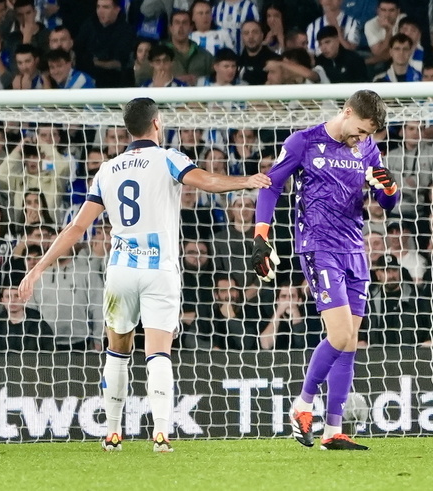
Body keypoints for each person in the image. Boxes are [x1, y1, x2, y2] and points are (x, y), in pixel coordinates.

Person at [18, 97, 271, 452]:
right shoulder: (168, 157)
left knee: (117, 352)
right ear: (157, 123)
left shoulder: (107, 169)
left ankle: (112, 432)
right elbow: (207, 182)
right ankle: (162, 434)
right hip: (160, 269)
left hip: (121, 269)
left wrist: (38, 267)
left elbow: (77, 228)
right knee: (158, 354)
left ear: (126, 129)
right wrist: (248, 180)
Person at [252, 89, 398, 450]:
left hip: (354, 248)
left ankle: (333, 430)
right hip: (318, 247)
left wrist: (389, 188)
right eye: (360, 130)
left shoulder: (367, 149)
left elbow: (386, 202)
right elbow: (271, 187)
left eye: (368, 135)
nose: (362, 139)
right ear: (347, 112)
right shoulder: (303, 141)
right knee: (339, 333)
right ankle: (302, 405)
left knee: (350, 344)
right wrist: (261, 235)